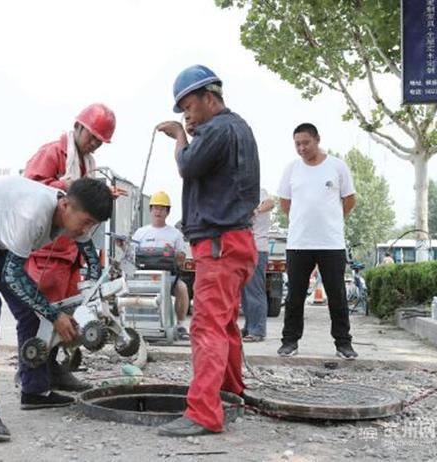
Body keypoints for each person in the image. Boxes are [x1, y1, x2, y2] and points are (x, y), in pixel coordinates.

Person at [0, 177, 113, 441]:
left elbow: (91, 259)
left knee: (32, 312)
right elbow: (14, 276)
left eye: (92, 225)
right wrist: (56, 316)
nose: (86, 229)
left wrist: (93, 298)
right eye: (85, 222)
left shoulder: (74, 215)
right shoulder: (32, 215)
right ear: (65, 205)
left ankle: (35, 391)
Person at [155, 64, 260, 437]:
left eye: (189, 106)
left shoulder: (217, 129)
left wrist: (181, 137)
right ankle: (231, 392)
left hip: (219, 244)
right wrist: (192, 134)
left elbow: (188, 165)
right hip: (235, 242)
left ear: (209, 97)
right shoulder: (237, 128)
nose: (186, 114)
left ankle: (203, 413)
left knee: (206, 326)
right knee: (226, 322)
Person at [24, 103, 117, 392]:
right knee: (43, 314)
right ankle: (32, 373)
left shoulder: (87, 163)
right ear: (78, 127)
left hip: (69, 251)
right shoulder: (52, 153)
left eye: (99, 142)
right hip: (48, 249)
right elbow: (30, 190)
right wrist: (65, 184)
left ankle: (52, 368)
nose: (94, 145)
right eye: (92, 137)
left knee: (67, 313)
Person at [276, 123, 358, 360]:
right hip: (299, 242)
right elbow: (285, 203)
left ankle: (343, 343)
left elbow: (349, 199)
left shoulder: (337, 166)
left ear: (317, 139)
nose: (301, 148)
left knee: (337, 295)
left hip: (331, 243)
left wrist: (333, 219)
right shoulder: (291, 169)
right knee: (294, 296)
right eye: (297, 144)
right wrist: (303, 220)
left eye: (306, 143)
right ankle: (290, 341)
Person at [132, 191, 190, 340]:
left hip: (168, 277)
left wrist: (176, 255)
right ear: (150, 210)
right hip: (144, 277)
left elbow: (181, 260)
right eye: (156, 208)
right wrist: (122, 247)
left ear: (167, 212)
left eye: (162, 208)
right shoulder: (140, 233)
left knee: (182, 288)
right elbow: (130, 254)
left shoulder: (175, 234)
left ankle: (181, 325)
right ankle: (136, 325)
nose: (158, 211)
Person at [241, 188, 275, 342]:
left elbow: (270, 203)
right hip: (242, 246)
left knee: (254, 290)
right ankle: (249, 327)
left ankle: (257, 330)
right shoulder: (239, 190)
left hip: (257, 247)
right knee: (245, 292)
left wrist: (255, 211)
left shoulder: (260, 191)